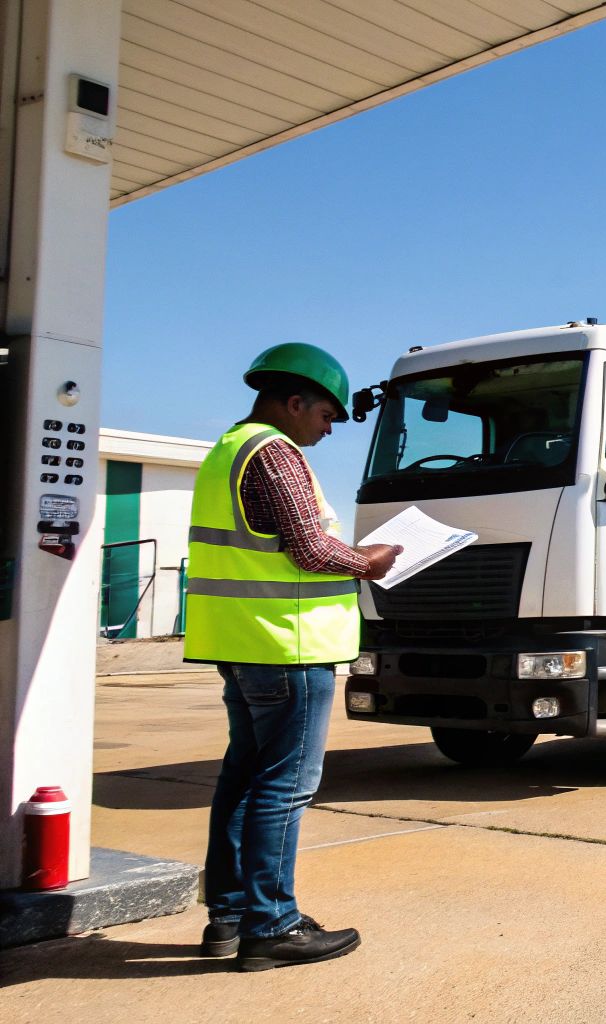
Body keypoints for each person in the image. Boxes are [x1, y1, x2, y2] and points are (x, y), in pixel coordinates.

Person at [182, 343, 401, 971]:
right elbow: (307, 548)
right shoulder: (275, 453)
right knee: (283, 789)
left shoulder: (228, 449)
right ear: (295, 402)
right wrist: (368, 561)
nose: (330, 429)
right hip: (290, 647)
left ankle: (228, 917)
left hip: (248, 644)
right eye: (327, 416)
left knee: (244, 781)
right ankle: (272, 924)